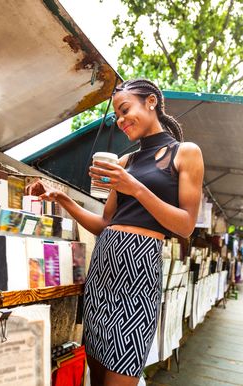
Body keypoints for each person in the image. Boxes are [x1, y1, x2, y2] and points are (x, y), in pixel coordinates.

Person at [26, 79, 204, 386]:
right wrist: (63, 199)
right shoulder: (126, 161)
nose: (121, 121)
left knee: (121, 374)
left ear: (151, 102)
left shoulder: (185, 153)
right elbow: (106, 224)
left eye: (125, 110)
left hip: (139, 276)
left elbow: (186, 225)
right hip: (103, 271)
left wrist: (134, 187)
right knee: (95, 378)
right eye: (117, 116)